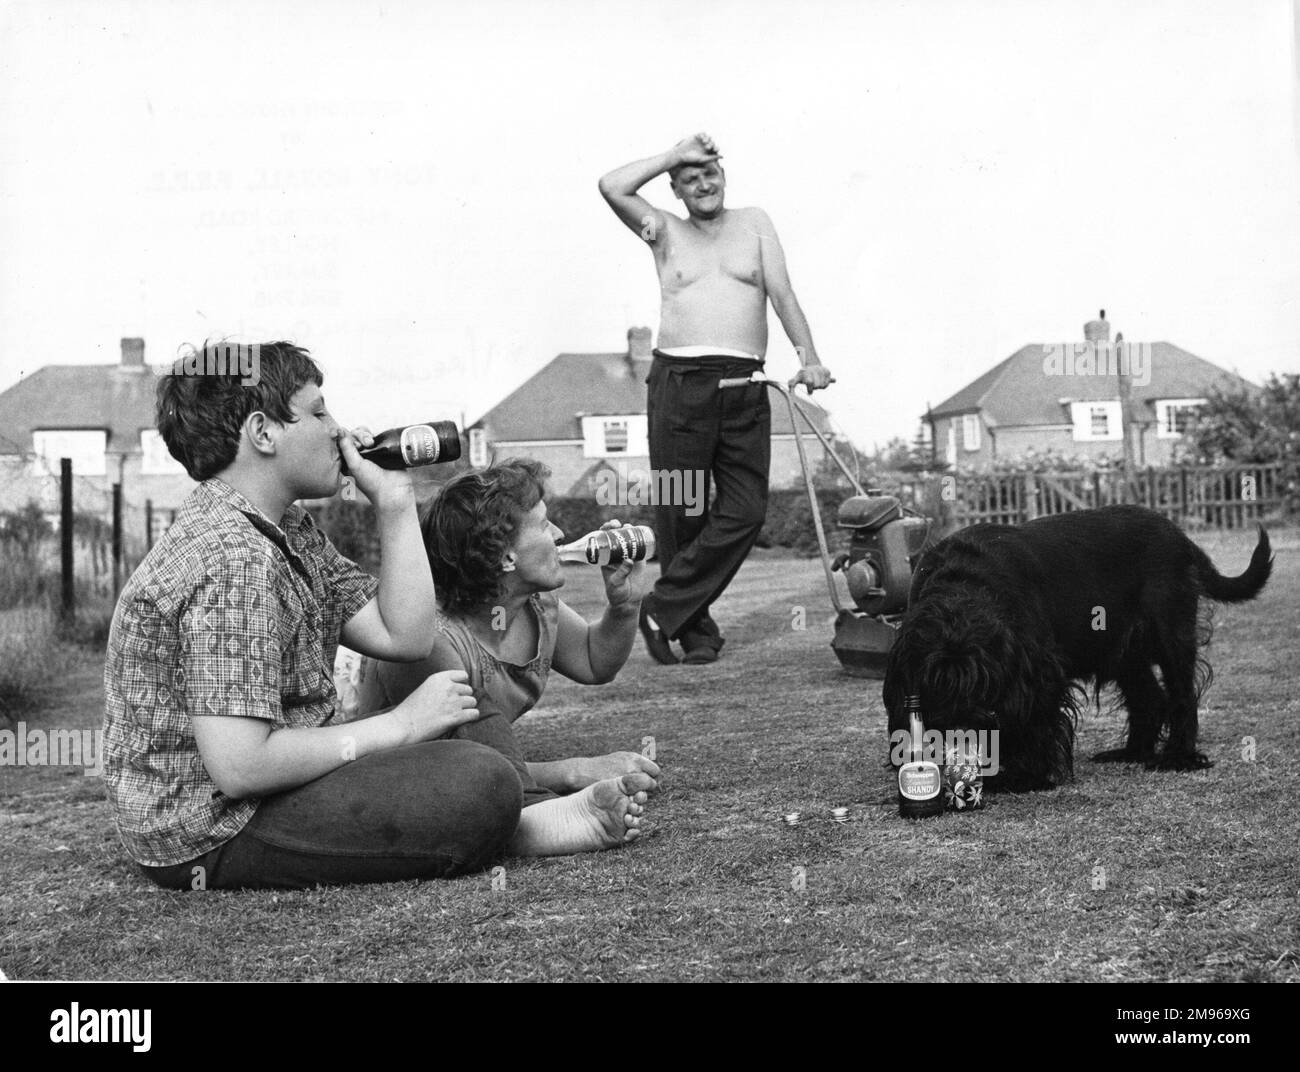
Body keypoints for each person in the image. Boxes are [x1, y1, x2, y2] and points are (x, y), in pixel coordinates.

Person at [103, 341, 522, 891]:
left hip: (279, 779)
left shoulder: (287, 529)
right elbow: (240, 768)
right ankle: (530, 820)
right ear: (263, 432)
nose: (338, 430)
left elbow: (407, 635)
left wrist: (394, 504)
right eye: (319, 411)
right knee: (480, 781)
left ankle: (530, 805)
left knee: (468, 712)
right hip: (215, 828)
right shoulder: (232, 556)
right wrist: (399, 726)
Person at [598, 132, 834, 665]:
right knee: (683, 509)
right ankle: (694, 631)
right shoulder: (663, 229)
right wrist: (670, 154)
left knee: (746, 510)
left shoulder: (754, 223)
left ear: (724, 178)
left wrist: (808, 355)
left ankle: (660, 606)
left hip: (745, 384)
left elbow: (783, 293)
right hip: (680, 384)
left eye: (710, 173)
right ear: (676, 190)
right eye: (689, 177)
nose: (703, 184)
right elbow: (610, 185)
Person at [353, 459, 660, 856]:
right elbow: (460, 766)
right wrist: (574, 771)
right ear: (505, 557)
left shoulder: (536, 606)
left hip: (470, 760)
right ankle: (543, 822)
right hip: (381, 761)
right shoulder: (433, 642)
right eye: (545, 524)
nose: (561, 533)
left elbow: (593, 661)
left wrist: (624, 606)